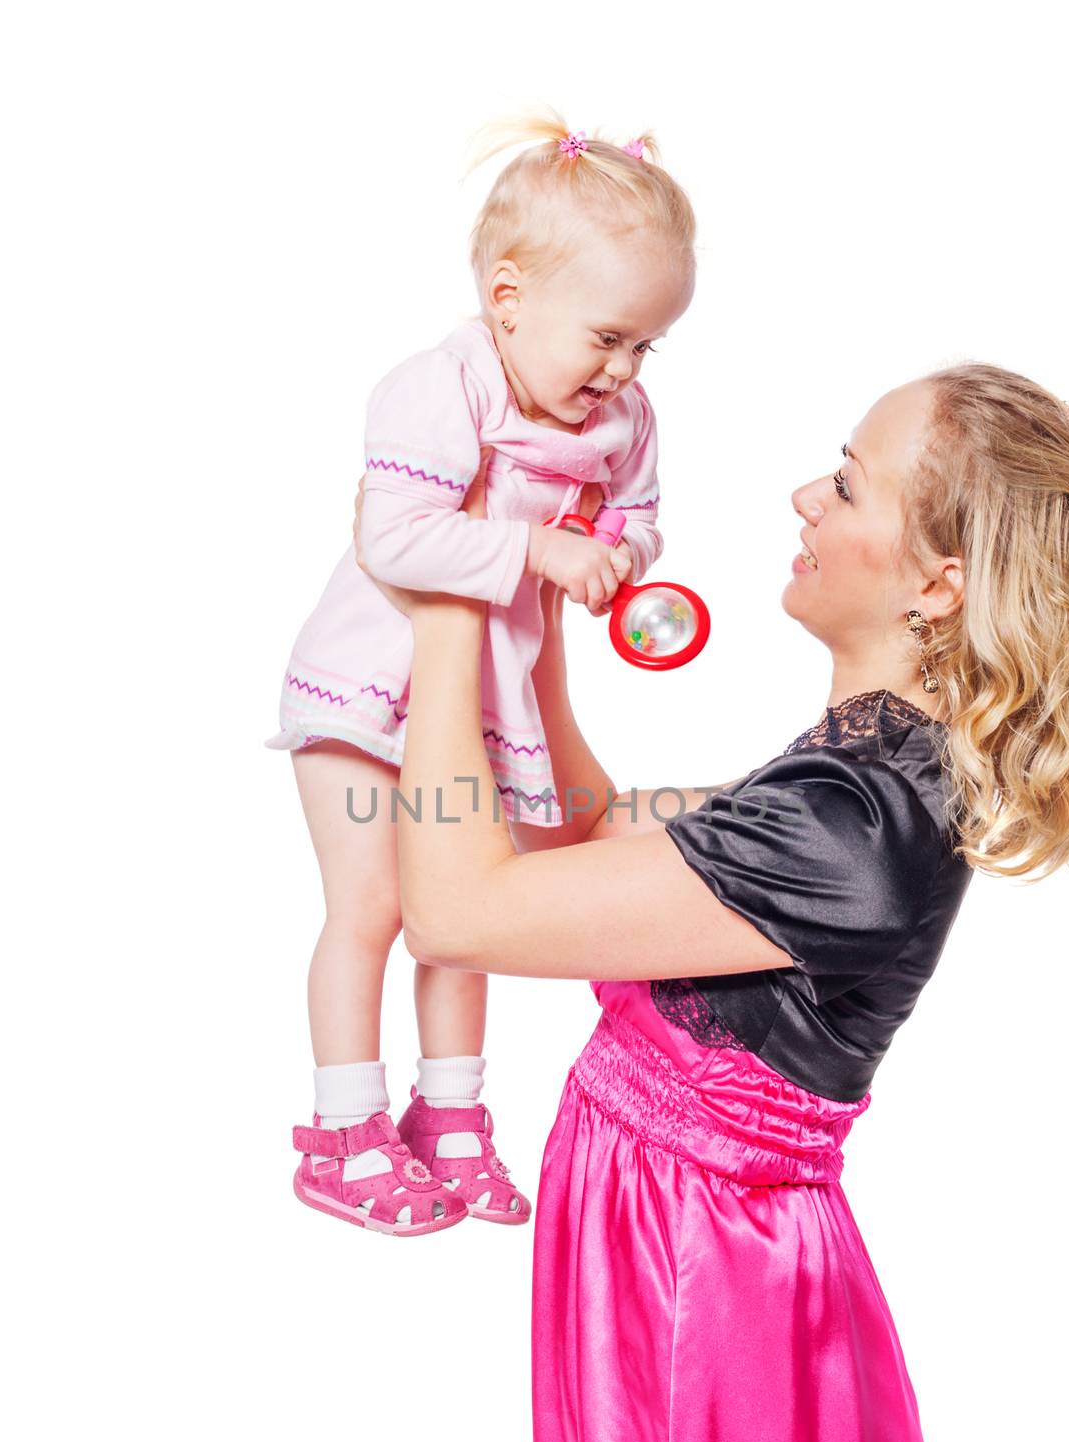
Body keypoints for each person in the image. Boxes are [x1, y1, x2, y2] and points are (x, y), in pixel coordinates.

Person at [353, 364, 1069, 1442]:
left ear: (937, 583)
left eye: (843, 483)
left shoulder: (850, 822)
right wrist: (536, 636)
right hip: (681, 1250)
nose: (801, 498)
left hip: (699, 1284)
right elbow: (612, 843)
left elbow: (458, 913)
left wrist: (453, 602)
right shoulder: (868, 770)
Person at [270, 117, 696, 1233]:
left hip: (482, 705)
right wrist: (540, 550)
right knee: (369, 903)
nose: (621, 372)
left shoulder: (620, 419)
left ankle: (447, 1113)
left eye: (645, 347)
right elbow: (394, 539)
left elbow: (640, 521)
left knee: (456, 911)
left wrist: (618, 563)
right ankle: (341, 1123)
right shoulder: (438, 386)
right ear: (507, 297)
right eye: (606, 338)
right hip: (368, 692)